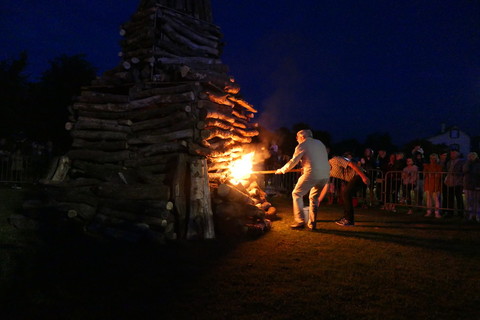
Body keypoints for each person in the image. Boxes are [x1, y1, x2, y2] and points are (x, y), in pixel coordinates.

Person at [275, 129, 330, 229]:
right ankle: (312, 224)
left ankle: (300, 221)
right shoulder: (320, 143)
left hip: (312, 173)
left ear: (302, 137)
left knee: (296, 193)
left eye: (297, 138)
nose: (297, 140)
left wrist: (282, 170)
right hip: (325, 175)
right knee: (314, 198)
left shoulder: (302, 145)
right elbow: (315, 158)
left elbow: (293, 161)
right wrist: (305, 166)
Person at [328, 154, 370, 226]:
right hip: (352, 179)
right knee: (345, 194)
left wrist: (363, 177)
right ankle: (346, 218)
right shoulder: (327, 171)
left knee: (346, 194)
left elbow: (352, 164)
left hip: (359, 175)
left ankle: (349, 220)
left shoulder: (335, 160)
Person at [444, 149, 465, 217]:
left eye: (454, 154)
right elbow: (447, 170)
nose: (452, 155)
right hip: (450, 182)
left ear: (458, 154)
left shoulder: (462, 162)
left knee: (459, 198)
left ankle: (460, 213)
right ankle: (450, 213)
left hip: (458, 182)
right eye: (451, 154)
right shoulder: (449, 162)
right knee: (450, 198)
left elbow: (463, 171)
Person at [423, 153, 443, 218]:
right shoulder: (427, 166)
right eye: (431, 158)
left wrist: (432, 175)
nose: (432, 160)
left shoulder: (439, 166)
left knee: (436, 199)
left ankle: (436, 212)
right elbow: (425, 174)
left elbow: (439, 175)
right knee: (428, 198)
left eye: (434, 158)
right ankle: (429, 211)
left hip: (436, 184)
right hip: (428, 184)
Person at [462, 152, 480, 222]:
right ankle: (470, 216)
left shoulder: (478, 164)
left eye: (472, 156)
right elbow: (464, 170)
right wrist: (468, 163)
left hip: (476, 185)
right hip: (468, 184)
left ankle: (477, 216)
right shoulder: (467, 163)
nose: (470, 158)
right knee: (469, 201)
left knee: (477, 202)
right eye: (469, 156)